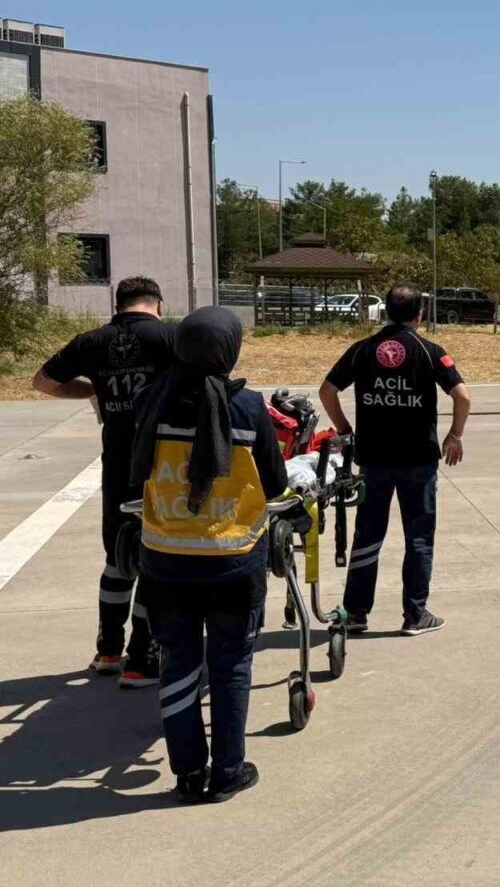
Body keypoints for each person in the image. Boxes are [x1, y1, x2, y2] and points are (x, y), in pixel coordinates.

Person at [130, 307, 288, 804]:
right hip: (233, 561)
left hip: (165, 562)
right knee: (230, 666)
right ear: (228, 350)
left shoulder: (148, 403)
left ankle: (188, 775)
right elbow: (277, 482)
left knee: (178, 663)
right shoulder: (249, 408)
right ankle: (228, 771)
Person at [33, 276, 177, 687]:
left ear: (119, 305)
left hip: (117, 462)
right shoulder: (170, 337)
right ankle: (141, 658)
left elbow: (42, 382)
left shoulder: (91, 342)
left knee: (118, 556)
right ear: (157, 304)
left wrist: (92, 390)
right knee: (155, 557)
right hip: (161, 463)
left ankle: (108, 649)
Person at [319, 283, 470, 636]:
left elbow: (327, 391)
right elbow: (462, 396)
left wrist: (346, 429)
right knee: (418, 536)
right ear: (420, 314)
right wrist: (455, 435)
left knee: (368, 535)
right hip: (418, 461)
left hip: (374, 460)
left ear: (386, 311)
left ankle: (356, 611)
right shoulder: (430, 350)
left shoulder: (361, 350)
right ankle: (415, 614)